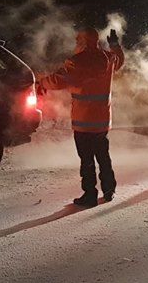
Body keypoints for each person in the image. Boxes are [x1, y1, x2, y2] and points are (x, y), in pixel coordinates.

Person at [38, 27, 124, 207]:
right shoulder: (108, 58)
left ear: (83, 42)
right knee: (103, 156)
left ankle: (90, 195)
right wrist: (115, 45)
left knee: (87, 160)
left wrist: (41, 82)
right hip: (102, 122)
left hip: (83, 122)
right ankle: (109, 189)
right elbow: (120, 60)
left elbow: (58, 80)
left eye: (78, 41)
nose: (76, 44)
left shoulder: (76, 61)